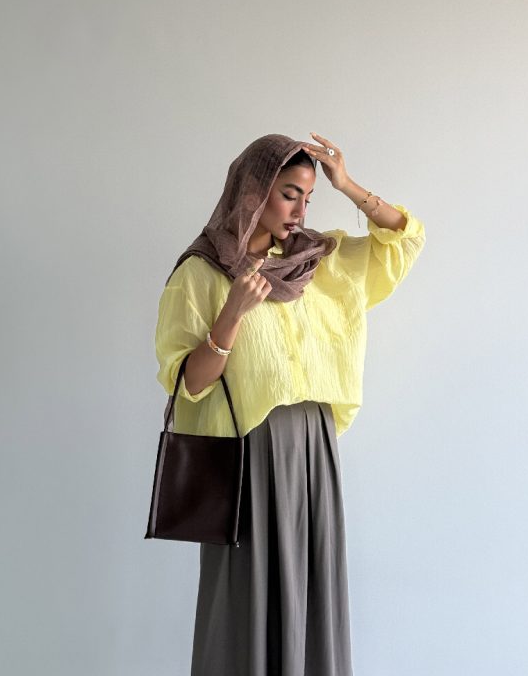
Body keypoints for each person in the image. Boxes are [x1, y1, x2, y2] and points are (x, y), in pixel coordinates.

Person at [155, 132, 426, 676]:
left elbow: (403, 240)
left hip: (314, 446)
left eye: (309, 197)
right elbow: (187, 384)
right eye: (288, 194)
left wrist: (347, 184)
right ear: (251, 192)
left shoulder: (317, 260)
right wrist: (231, 315)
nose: (301, 211)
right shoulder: (200, 273)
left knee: (313, 588)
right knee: (247, 595)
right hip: (250, 453)